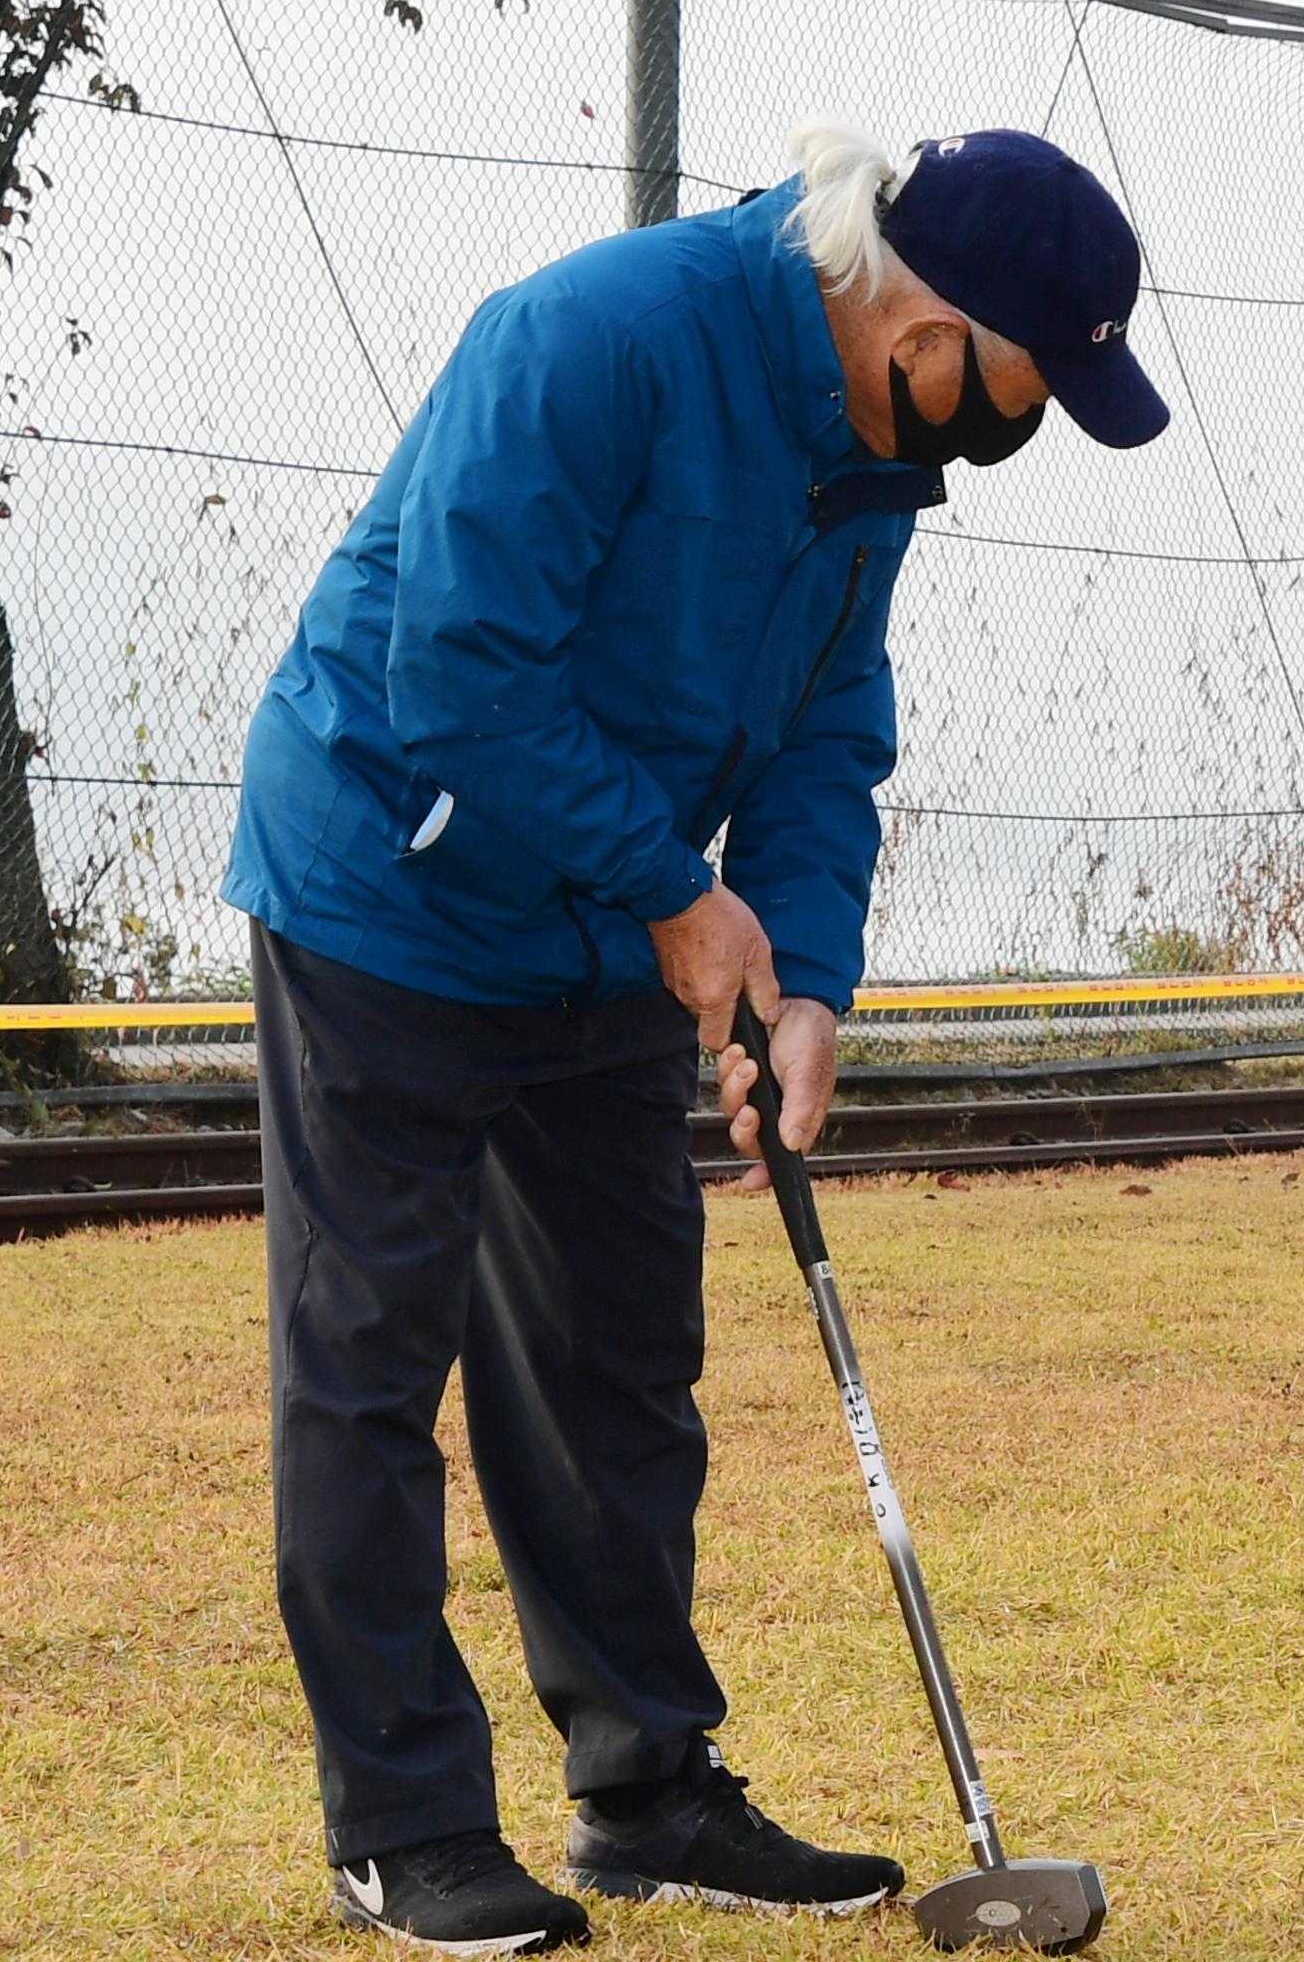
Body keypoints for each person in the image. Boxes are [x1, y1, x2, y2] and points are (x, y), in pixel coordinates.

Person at [222, 123, 1166, 1955]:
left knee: (614, 1362)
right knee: (367, 1361)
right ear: (920, 317)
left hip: (598, 918)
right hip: (387, 884)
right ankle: (402, 1824)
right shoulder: (594, 339)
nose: (1017, 429)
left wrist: (804, 975)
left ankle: (644, 1788)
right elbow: (458, 670)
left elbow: (828, 731)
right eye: (1024, 389)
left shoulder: (873, 459)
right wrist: (671, 890)